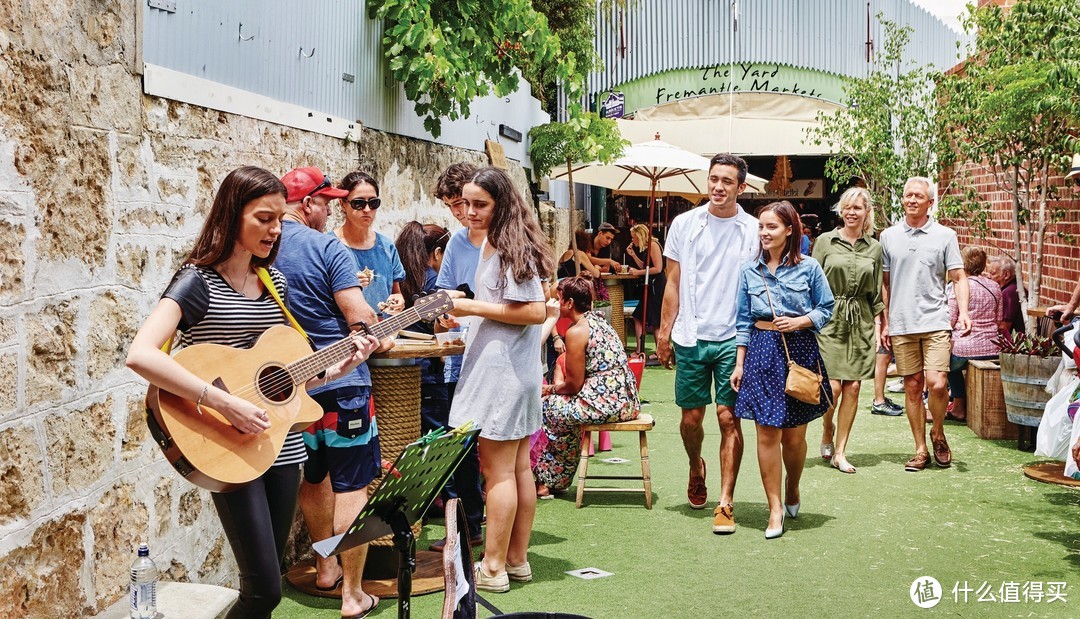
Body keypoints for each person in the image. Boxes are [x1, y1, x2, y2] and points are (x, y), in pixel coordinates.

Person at [125, 166, 380, 618]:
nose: (276, 229)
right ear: (231, 216)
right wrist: (224, 402)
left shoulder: (272, 283)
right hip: (227, 445)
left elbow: (286, 381)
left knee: (267, 587)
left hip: (280, 449)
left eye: (280, 218)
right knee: (264, 591)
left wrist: (339, 366)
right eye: (264, 218)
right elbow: (142, 354)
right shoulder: (196, 282)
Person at [273, 166, 384, 618]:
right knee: (353, 487)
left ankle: (325, 567)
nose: (335, 208)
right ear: (307, 204)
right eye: (328, 201)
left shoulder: (263, 247)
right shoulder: (327, 246)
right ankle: (353, 593)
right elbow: (359, 315)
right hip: (344, 384)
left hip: (288, 389)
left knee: (313, 479)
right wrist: (378, 321)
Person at [446, 167, 555, 592]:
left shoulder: (509, 245)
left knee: (500, 475)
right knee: (517, 470)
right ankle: (516, 560)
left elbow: (533, 311)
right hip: (514, 371)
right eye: (466, 203)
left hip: (502, 375)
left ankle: (493, 568)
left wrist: (472, 308)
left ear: (501, 204)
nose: (469, 211)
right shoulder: (507, 242)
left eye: (479, 204)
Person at [657, 153, 759, 534]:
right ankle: (695, 464)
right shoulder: (684, 225)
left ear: (740, 188)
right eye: (713, 179)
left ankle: (726, 501)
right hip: (691, 335)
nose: (718, 187)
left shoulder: (752, 230)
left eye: (727, 181)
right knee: (690, 421)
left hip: (736, 337)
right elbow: (672, 281)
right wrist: (665, 331)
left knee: (728, 417)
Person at [732, 200, 833, 538]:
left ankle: (793, 486)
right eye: (761, 226)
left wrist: (802, 320)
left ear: (789, 230)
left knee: (794, 437)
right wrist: (739, 363)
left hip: (799, 351)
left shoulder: (810, 267)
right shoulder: (749, 270)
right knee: (766, 433)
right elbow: (743, 320)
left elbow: (827, 307)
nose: (764, 232)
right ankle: (774, 508)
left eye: (771, 227)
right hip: (761, 352)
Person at [880, 176, 970, 472]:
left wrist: (965, 312)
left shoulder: (945, 235)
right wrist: (885, 322)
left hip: (935, 321)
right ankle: (920, 449)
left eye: (919, 196)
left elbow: (959, 277)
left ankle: (938, 433)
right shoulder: (889, 236)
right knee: (912, 386)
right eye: (908, 195)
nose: (912, 200)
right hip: (902, 323)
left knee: (937, 382)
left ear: (930, 203)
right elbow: (886, 283)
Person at [533, 277, 641, 496]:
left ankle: (546, 480)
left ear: (569, 303)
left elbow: (573, 385)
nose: (554, 301)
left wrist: (550, 390)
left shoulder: (576, 332)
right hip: (628, 401)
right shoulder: (600, 321)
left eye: (558, 298)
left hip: (607, 404)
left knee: (549, 409)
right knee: (562, 412)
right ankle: (557, 478)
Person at [431, 162, 486, 551]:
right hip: (458, 356)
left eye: (465, 203)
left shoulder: (507, 240)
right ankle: (472, 526)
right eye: (453, 206)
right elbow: (442, 296)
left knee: (499, 447)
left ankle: (501, 537)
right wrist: (441, 314)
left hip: (497, 358)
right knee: (462, 446)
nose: (461, 213)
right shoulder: (456, 243)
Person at [812, 187, 884, 474]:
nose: (852, 212)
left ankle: (840, 451)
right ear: (840, 211)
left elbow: (876, 292)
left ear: (867, 212)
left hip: (861, 320)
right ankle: (827, 428)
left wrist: (881, 324)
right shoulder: (824, 242)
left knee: (853, 386)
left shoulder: (875, 248)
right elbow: (811, 280)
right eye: (847, 207)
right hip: (830, 317)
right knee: (832, 387)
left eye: (858, 207)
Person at [333, 171, 406, 316]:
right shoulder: (329, 246)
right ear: (342, 204)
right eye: (358, 203)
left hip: (386, 332)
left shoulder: (387, 246)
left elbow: (396, 292)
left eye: (373, 203)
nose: (367, 210)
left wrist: (398, 300)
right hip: (348, 334)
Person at [946, 246, 1003, 423]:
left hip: (964, 347)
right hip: (992, 346)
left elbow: (951, 319)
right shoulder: (995, 287)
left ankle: (958, 407)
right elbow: (999, 319)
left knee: (946, 367)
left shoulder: (957, 286)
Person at [625, 223, 666, 357]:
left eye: (633, 237)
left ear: (639, 235)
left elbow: (658, 268)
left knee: (655, 320)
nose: (632, 240)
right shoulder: (648, 248)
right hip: (651, 285)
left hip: (655, 286)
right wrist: (633, 256)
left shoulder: (653, 245)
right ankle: (640, 349)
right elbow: (646, 266)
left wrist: (638, 272)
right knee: (639, 316)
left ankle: (658, 350)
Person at [987, 255, 1024, 333]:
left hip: (1015, 342)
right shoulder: (1015, 288)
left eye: (992, 274)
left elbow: (1004, 328)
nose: (988, 277)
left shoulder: (1009, 293)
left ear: (1006, 275)